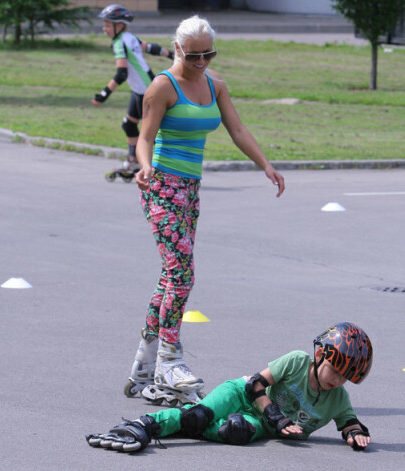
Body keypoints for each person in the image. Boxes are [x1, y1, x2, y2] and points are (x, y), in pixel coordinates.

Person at [123, 15, 285, 407]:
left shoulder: (216, 86)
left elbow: (238, 130)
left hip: (190, 191)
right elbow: (145, 138)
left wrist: (265, 164)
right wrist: (143, 166)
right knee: (182, 272)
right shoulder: (162, 86)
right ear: (177, 49)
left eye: (208, 54)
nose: (201, 62)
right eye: (193, 55)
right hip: (160, 186)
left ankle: (141, 369)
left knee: (169, 277)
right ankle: (169, 361)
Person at [86, 322, 373, 453]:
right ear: (321, 355)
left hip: (258, 422)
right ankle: (144, 424)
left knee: (234, 431)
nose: (337, 380)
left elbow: (349, 422)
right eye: (335, 371)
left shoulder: (338, 398)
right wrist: (275, 415)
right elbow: (255, 384)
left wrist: (355, 435)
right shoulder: (297, 361)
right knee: (198, 416)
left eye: (345, 377)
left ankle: (184, 423)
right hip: (242, 393)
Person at [92, 4, 174, 176]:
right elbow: (152, 48)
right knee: (129, 125)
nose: (104, 28)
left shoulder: (119, 42)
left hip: (148, 93)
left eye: (107, 25)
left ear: (119, 26)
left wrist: (103, 95)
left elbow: (121, 74)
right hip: (141, 90)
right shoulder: (129, 37)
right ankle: (134, 162)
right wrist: (172, 55)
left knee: (152, 132)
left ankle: (162, 168)